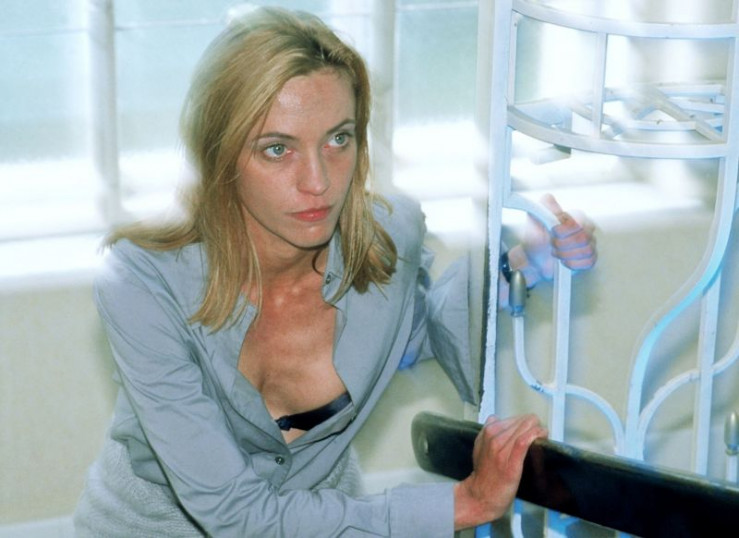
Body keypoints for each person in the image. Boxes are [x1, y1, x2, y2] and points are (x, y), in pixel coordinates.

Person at [74, 6, 596, 537]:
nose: (318, 181)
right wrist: (462, 503)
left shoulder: (389, 240)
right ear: (220, 155)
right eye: (277, 149)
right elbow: (238, 517)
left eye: (338, 139)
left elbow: (419, 329)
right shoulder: (143, 283)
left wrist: (518, 265)